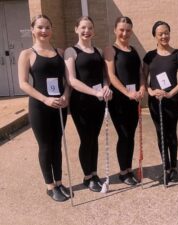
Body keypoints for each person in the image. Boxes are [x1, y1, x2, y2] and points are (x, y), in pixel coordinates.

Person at [18, 15, 71, 202]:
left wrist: (66, 95)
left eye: (47, 27)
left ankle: (59, 181)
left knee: (57, 143)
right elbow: (23, 84)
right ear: (33, 29)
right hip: (40, 107)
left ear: (52, 29)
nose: (44, 31)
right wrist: (45, 99)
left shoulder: (60, 52)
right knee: (46, 146)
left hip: (59, 106)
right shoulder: (27, 54)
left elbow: (68, 80)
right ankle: (50, 186)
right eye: (40, 27)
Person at [64, 16, 112, 192]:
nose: (86, 31)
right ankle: (87, 177)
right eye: (83, 28)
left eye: (90, 28)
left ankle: (94, 173)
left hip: (98, 103)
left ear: (94, 30)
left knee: (94, 138)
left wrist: (106, 87)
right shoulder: (71, 51)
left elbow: (104, 76)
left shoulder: (98, 50)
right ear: (76, 29)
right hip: (81, 103)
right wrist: (95, 92)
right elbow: (72, 81)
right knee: (86, 139)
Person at [143, 21, 178, 184]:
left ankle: (174, 167)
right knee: (160, 132)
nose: (164, 36)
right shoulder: (149, 56)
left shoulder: (177, 54)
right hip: (156, 100)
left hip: (171, 99)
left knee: (171, 132)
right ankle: (165, 167)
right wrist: (151, 91)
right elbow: (144, 77)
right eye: (160, 33)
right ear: (155, 35)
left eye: (166, 32)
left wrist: (170, 93)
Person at [104, 16, 145, 186]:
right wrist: (127, 92)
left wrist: (142, 88)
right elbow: (111, 76)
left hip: (134, 98)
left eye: (128, 30)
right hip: (120, 100)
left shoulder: (134, 50)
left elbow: (140, 73)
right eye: (121, 29)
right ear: (115, 30)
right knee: (124, 135)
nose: (124, 33)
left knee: (131, 134)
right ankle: (123, 172)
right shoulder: (110, 49)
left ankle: (129, 168)